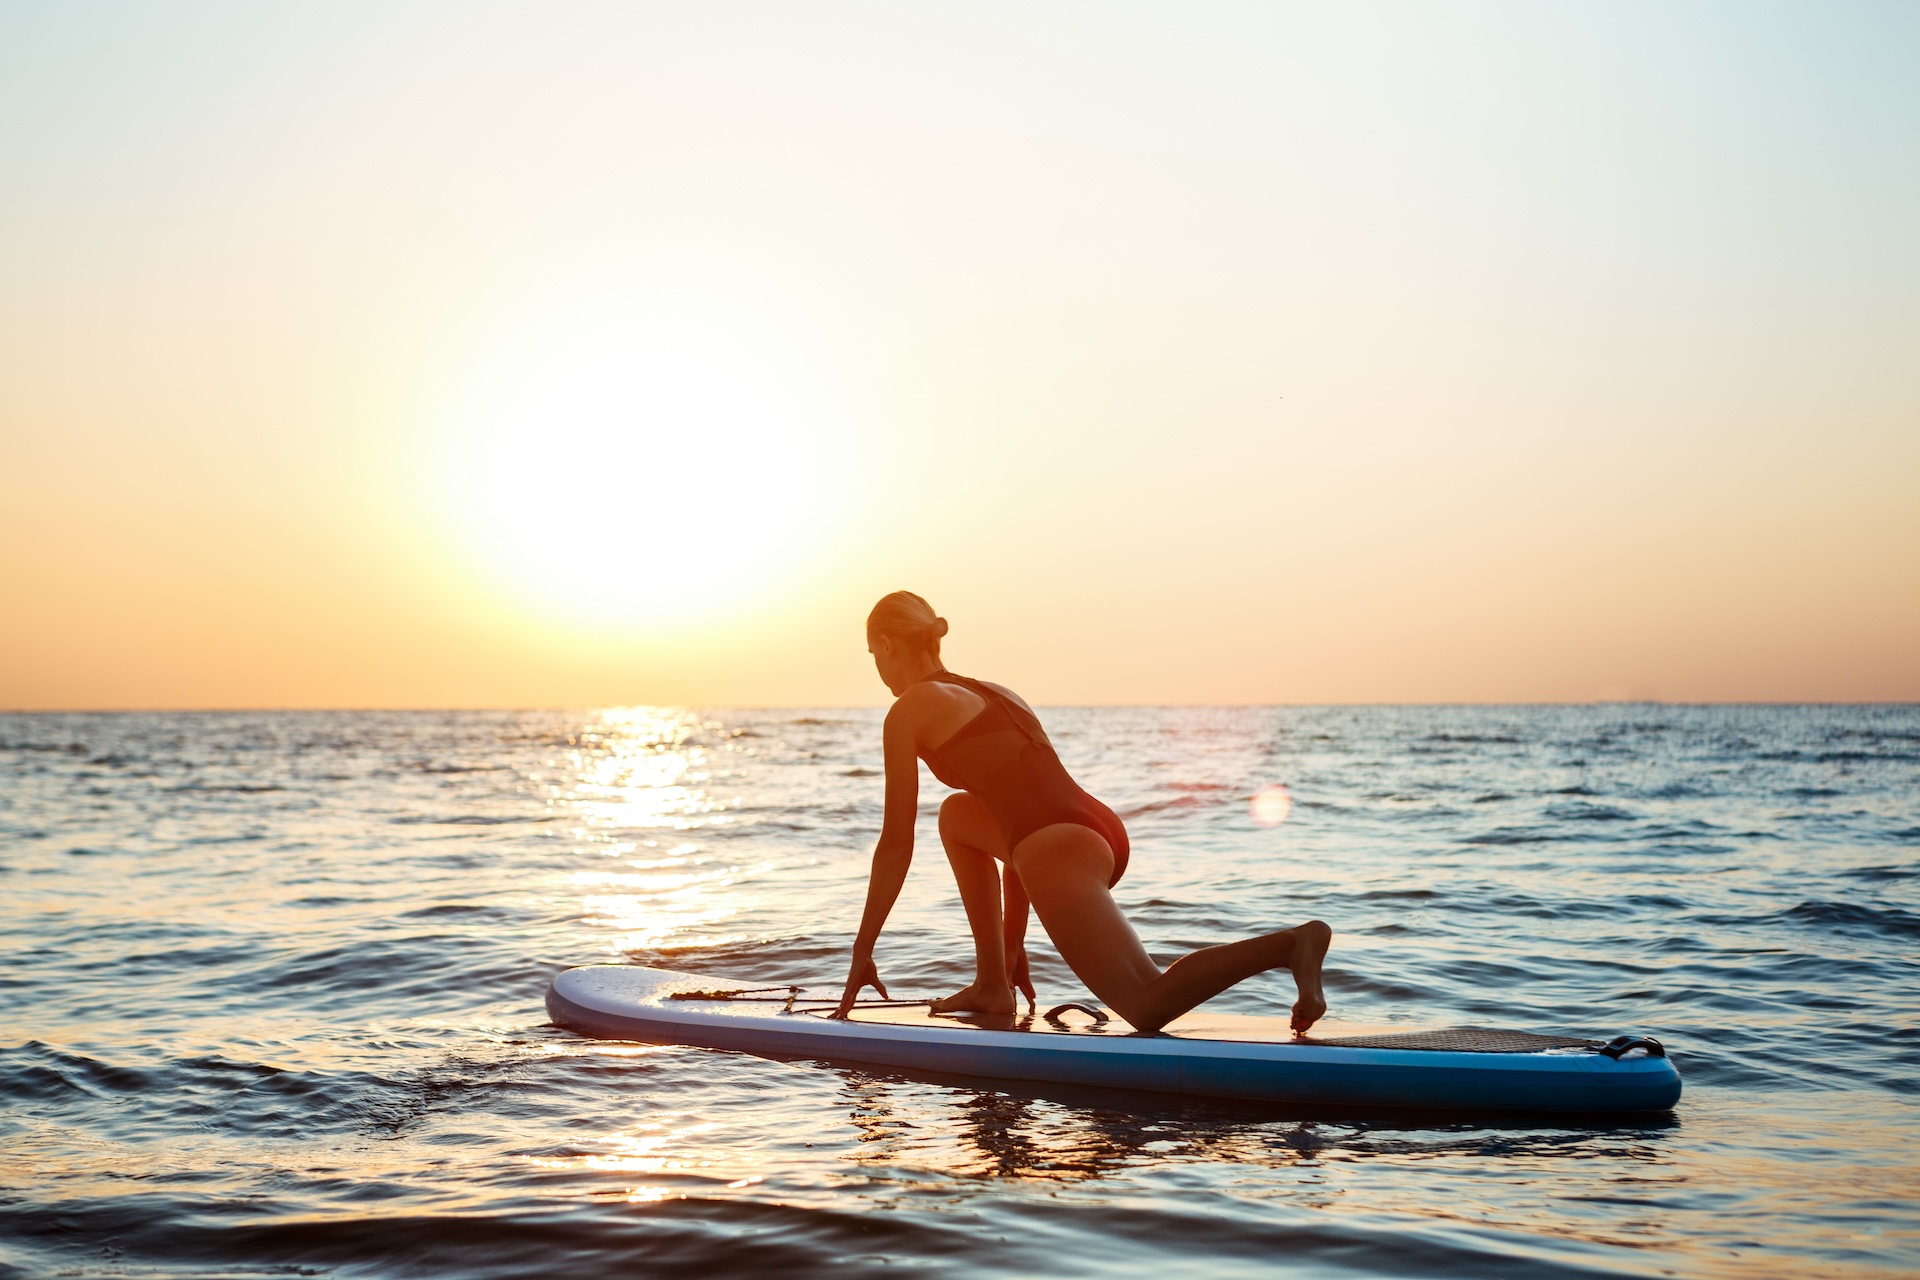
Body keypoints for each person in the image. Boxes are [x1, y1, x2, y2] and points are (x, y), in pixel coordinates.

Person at [833, 591, 1331, 1034]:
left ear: (888, 644)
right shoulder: (994, 691)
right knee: (957, 815)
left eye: (873, 654)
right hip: (1093, 826)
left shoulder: (909, 710)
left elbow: (896, 844)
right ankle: (992, 984)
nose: (877, 668)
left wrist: (862, 950)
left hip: (1056, 844)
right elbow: (1015, 818)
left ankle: (1291, 945)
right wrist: (1011, 946)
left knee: (1146, 1004)